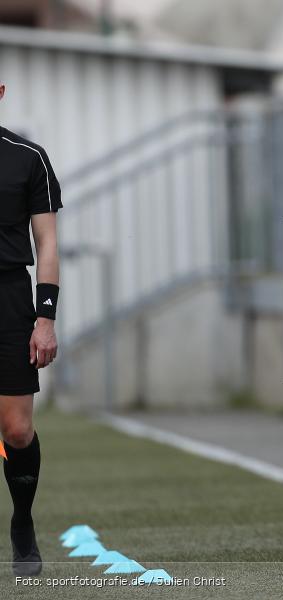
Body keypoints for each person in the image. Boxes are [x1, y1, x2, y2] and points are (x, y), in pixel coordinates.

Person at [0, 79, 62, 576]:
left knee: (17, 431)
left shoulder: (28, 157)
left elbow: (47, 243)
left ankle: (22, 521)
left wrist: (45, 317)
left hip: (9, 299)